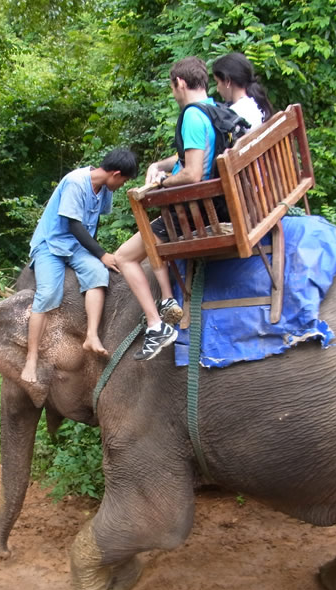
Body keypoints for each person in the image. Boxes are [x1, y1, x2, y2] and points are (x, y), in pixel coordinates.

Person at [114, 56, 218, 361]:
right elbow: (189, 155)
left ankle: (157, 325)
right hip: (208, 202)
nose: (173, 94)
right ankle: (167, 299)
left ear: (180, 84)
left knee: (124, 257)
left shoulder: (190, 116)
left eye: (173, 88)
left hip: (192, 211)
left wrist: (158, 185)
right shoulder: (212, 110)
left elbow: (193, 172)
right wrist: (160, 165)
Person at [21, 148, 138, 383]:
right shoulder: (76, 182)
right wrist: (102, 253)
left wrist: (95, 258)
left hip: (76, 247)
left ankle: (91, 336)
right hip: (51, 245)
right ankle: (31, 360)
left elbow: (93, 223)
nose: (122, 185)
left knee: (97, 274)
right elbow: (74, 224)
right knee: (48, 294)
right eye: (123, 180)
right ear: (115, 174)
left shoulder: (104, 188)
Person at [212, 52, 274, 127]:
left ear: (228, 81)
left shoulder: (235, 113)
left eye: (217, 82)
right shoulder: (258, 105)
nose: (217, 89)